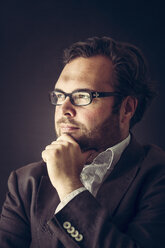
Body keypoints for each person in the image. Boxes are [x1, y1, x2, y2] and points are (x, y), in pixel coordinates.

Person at [0, 36, 165, 248]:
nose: (64, 109)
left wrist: (69, 186)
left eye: (83, 96)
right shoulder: (25, 182)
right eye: (60, 96)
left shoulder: (157, 176)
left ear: (127, 108)